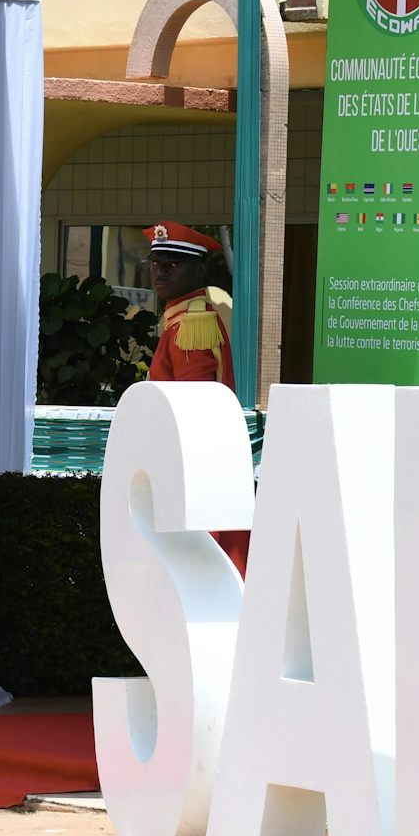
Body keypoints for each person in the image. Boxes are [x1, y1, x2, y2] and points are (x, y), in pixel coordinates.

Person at [142, 221, 249, 575]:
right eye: (157, 263)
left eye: (174, 265)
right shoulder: (181, 317)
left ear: (200, 270)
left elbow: (193, 411)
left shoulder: (192, 323)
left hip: (198, 467)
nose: (161, 271)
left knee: (204, 576)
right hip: (200, 467)